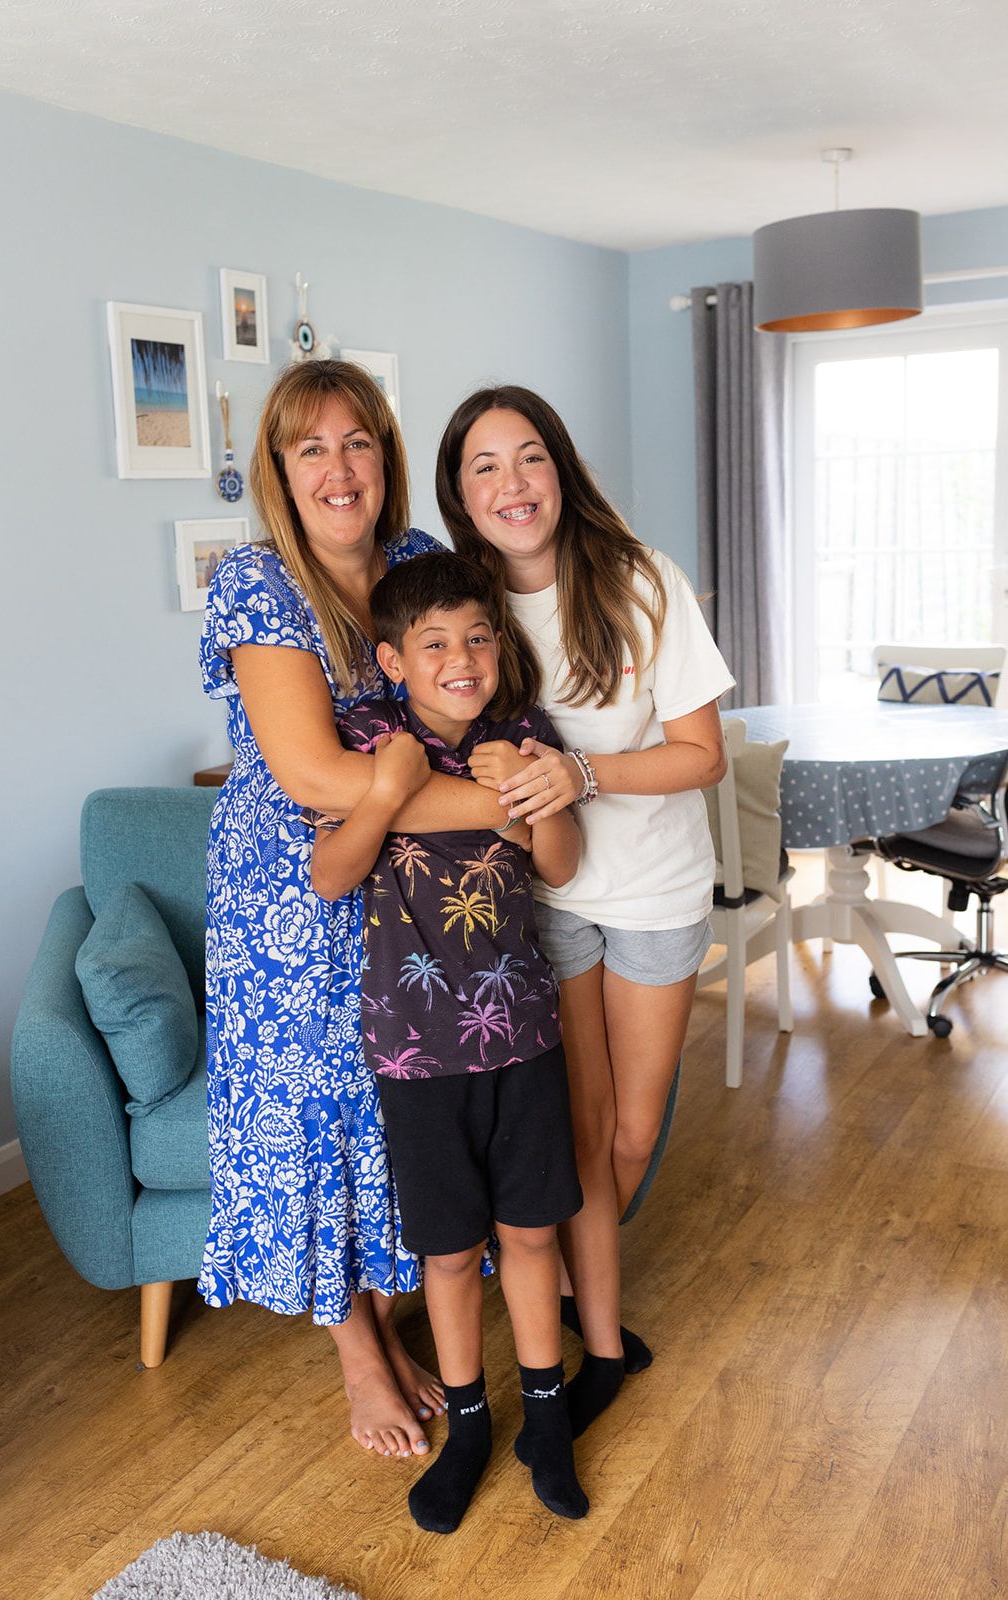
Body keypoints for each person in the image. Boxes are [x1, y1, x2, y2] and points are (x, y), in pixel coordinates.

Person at [198, 361, 523, 1463]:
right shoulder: (256, 581)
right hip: (292, 896)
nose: (339, 469)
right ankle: (356, 1357)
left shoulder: (422, 564)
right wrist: (514, 805)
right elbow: (320, 775)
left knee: (394, 1116)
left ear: (385, 455)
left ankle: (397, 1313)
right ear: (281, 473)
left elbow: (469, 683)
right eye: (311, 449)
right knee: (312, 1112)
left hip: (409, 888)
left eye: (358, 443)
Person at [436, 386, 734, 1441]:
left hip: (652, 892)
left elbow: (703, 754)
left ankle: (565, 1294)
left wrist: (580, 773)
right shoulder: (461, 608)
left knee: (629, 1133)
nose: (510, 483)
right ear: (460, 494)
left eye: (527, 458)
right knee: (575, 1131)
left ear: (559, 469)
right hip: (544, 900)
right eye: (483, 466)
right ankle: (577, 1321)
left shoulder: (640, 580)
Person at [307, 551, 589, 1535]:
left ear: (498, 645)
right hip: (414, 1054)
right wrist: (385, 793)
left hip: (521, 1035)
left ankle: (544, 1416)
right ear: (391, 658)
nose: (459, 658)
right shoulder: (366, 740)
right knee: (448, 1249)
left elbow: (558, 861)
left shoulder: (526, 737)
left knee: (528, 1232)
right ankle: (469, 1422)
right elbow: (332, 875)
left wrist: (522, 800)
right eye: (433, 644)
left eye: (476, 636)